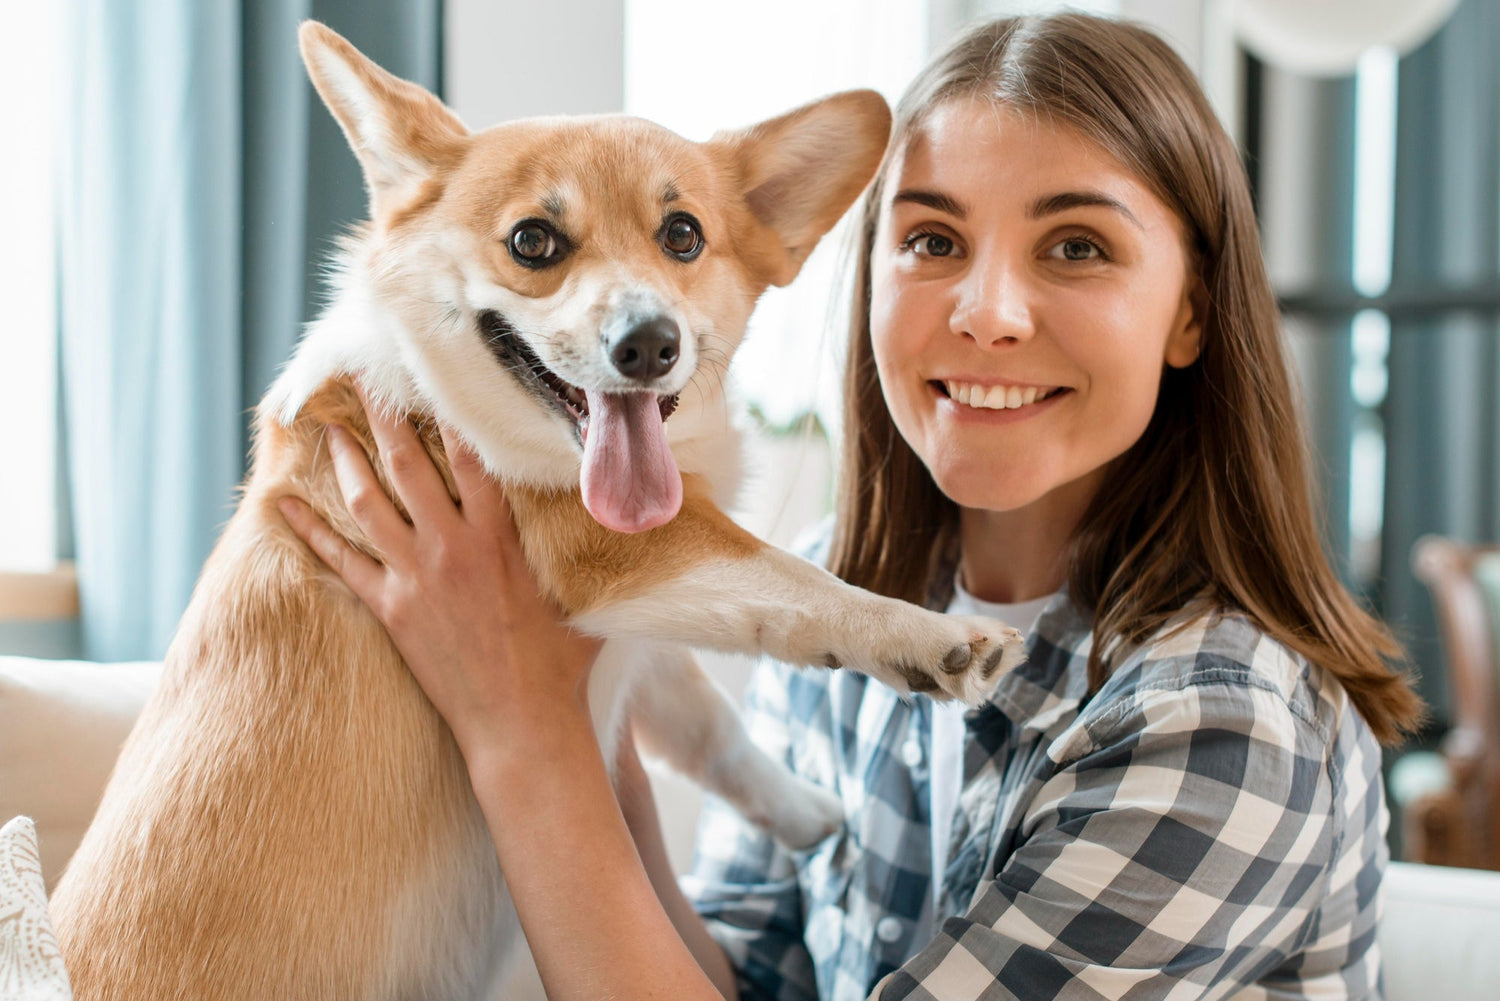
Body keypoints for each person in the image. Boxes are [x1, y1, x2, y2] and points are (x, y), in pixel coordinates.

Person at [280, 11, 1423, 1000]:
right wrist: (575, 673)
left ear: (1190, 312)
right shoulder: (842, 596)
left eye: (1076, 247)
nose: (988, 313)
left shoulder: (1219, 726)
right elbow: (735, 978)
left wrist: (520, 729)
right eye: (931, 238)